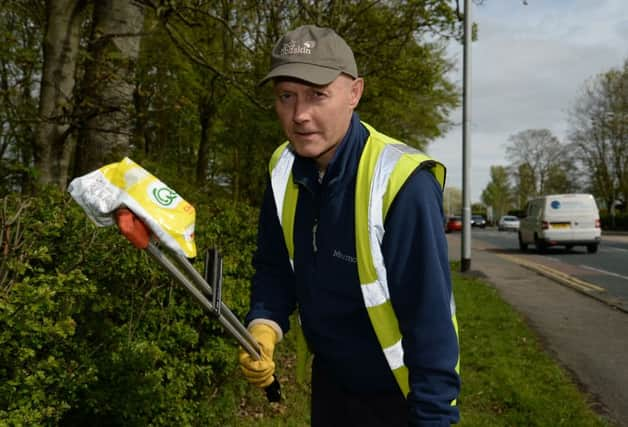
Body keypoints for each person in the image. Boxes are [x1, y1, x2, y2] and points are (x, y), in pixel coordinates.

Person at [239, 25, 460, 426]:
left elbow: (430, 323)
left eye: (317, 95)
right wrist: (263, 325)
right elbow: (274, 267)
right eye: (287, 96)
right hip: (330, 385)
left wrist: (433, 418)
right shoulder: (282, 167)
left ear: (354, 93)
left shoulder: (403, 183)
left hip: (399, 396)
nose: (300, 114)